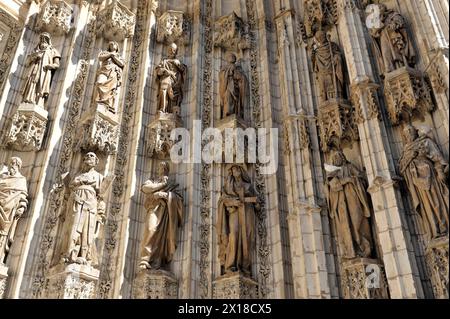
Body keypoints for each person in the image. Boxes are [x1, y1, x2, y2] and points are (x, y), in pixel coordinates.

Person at [55, 152, 112, 266]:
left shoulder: (100, 177)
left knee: (87, 230)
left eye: (92, 156)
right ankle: (69, 254)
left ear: (96, 161)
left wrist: (100, 213)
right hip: (76, 204)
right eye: (86, 156)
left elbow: (101, 197)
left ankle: (83, 255)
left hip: (91, 205)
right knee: (73, 227)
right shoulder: (77, 175)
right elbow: (69, 191)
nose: (88, 157)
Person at [399, 125, 449, 241]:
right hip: (417, 184)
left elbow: (438, 158)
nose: (409, 134)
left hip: (430, 176)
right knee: (427, 207)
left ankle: (444, 227)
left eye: (410, 131)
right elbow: (402, 167)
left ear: (416, 132)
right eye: (406, 133)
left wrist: (440, 171)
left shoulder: (425, 142)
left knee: (437, 202)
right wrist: (410, 158)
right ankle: (435, 231)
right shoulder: (406, 150)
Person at [325, 151, 374, 259]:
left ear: (344, 157)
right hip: (341, 203)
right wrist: (346, 180)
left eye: (340, 156)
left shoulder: (350, 167)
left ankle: (365, 248)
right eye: (335, 157)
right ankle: (351, 251)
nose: (338, 158)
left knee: (357, 220)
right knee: (345, 228)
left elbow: (361, 179)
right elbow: (331, 185)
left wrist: (354, 180)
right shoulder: (332, 172)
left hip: (353, 198)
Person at [139, 162, 183, 270]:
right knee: (150, 229)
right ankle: (145, 258)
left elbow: (179, 200)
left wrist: (167, 195)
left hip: (165, 213)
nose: (162, 169)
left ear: (167, 169)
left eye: (164, 167)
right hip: (153, 209)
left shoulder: (171, 183)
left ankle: (158, 260)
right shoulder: (153, 181)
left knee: (162, 236)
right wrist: (160, 188)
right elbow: (145, 188)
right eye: (159, 167)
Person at [217, 164, 258, 276]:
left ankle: (245, 266)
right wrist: (233, 202)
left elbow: (257, 203)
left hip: (247, 212)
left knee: (247, 236)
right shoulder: (229, 186)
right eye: (233, 170)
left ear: (241, 171)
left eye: (237, 169)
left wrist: (255, 202)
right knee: (233, 235)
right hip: (234, 212)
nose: (235, 171)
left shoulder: (248, 186)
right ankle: (230, 266)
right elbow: (223, 200)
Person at [0, 157, 28, 264]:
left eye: (15, 164)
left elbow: (23, 196)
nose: (13, 165)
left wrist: (21, 207)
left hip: (10, 211)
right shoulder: (2, 177)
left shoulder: (21, 180)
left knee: (4, 234)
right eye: (11, 163)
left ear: (19, 167)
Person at [22, 32, 61, 108]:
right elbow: (28, 61)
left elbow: (56, 64)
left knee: (41, 86)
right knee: (32, 82)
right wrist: (35, 56)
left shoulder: (52, 51)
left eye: (45, 39)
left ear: (48, 40)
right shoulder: (35, 50)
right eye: (41, 38)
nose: (43, 40)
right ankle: (28, 99)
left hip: (44, 71)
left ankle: (39, 102)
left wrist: (49, 66)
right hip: (34, 69)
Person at [311, 31, 345, 102]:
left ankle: (339, 99)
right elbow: (314, 65)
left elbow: (338, 55)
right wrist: (312, 54)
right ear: (317, 39)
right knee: (324, 90)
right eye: (319, 37)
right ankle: (326, 102)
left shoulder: (332, 46)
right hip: (322, 74)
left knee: (336, 87)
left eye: (322, 36)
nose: (321, 38)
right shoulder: (317, 51)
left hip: (332, 72)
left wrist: (336, 58)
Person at [155, 43, 187, 113]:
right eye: (170, 50)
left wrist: (178, 64)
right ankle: (162, 109)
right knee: (164, 86)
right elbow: (158, 71)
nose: (172, 51)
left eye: (174, 50)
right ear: (168, 51)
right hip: (166, 79)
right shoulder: (164, 61)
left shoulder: (177, 62)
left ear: (176, 52)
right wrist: (164, 71)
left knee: (173, 92)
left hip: (175, 81)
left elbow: (184, 70)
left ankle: (173, 111)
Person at [94, 41, 125, 113]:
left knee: (111, 89)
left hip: (113, 73)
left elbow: (122, 64)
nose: (112, 45)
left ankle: (108, 103)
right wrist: (110, 54)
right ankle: (101, 99)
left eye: (114, 44)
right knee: (99, 83)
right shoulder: (105, 53)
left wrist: (113, 56)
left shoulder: (119, 56)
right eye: (111, 44)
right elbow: (100, 58)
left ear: (117, 47)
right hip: (104, 71)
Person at [219, 52, 247, 119]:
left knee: (236, 101)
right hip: (228, 87)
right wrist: (228, 72)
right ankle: (227, 113)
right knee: (228, 96)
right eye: (230, 56)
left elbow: (242, 78)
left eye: (233, 57)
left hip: (236, 87)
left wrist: (235, 72)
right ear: (227, 59)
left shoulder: (238, 68)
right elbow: (221, 77)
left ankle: (236, 113)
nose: (232, 58)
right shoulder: (224, 68)